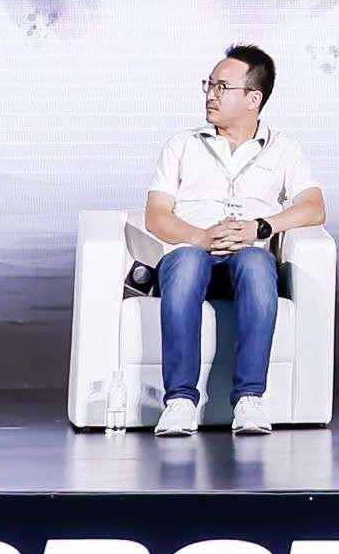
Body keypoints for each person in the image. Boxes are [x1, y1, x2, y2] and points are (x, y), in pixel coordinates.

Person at [135, 44, 328, 434]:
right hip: (191, 252)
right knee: (187, 262)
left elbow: (314, 207)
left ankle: (249, 401)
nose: (211, 94)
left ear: (253, 99)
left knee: (256, 263)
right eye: (209, 85)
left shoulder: (284, 149)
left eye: (222, 87)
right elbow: (156, 215)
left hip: (246, 256)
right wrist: (200, 237)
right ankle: (179, 401)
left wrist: (261, 227)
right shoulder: (182, 144)